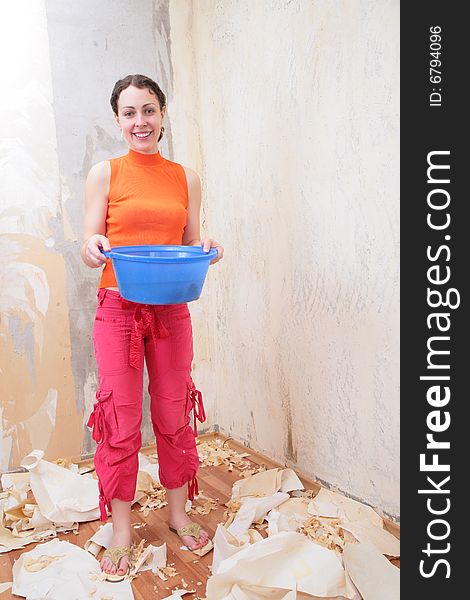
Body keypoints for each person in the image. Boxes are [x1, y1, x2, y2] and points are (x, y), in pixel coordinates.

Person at [80, 74, 223, 581]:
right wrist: (93, 247)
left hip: (170, 308)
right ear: (118, 120)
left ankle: (178, 513)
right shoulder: (106, 173)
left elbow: (190, 241)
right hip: (117, 305)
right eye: (129, 113)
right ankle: (121, 530)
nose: (140, 121)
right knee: (120, 418)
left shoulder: (186, 177)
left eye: (148, 110)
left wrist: (208, 250)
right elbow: (88, 242)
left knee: (173, 411)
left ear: (162, 114)